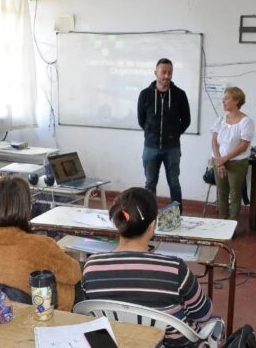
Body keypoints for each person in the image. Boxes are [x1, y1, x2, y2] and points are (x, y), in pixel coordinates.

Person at [82, 187, 213, 347]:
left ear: (118, 223)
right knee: (215, 323)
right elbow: (203, 314)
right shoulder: (175, 269)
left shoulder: (91, 267)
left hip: (117, 342)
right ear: (152, 225)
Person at [0, 176, 81, 311]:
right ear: (26, 208)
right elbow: (74, 274)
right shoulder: (41, 245)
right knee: (70, 283)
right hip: (33, 317)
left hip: (2, 317)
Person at [137, 58, 191, 213]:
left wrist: (173, 135)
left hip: (172, 148)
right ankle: (149, 216)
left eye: (170, 72)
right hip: (150, 147)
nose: (167, 76)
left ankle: (177, 217)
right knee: (150, 184)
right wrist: (151, 133)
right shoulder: (145, 95)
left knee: (174, 183)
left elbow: (186, 120)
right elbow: (141, 120)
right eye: (164, 72)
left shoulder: (180, 95)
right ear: (156, 73)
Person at [211, 86, 255, 220]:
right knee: (222, 194)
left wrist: (223, 159)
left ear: (236, 100)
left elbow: (243, 146)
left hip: (237, 163)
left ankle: (231, 226)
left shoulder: (246, 121)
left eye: (226, 99)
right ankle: (222, 223)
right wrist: (219, 161)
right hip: (218, 161)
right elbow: (214, 142)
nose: (223, 102)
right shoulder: (220, 119)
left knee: (235, 195)